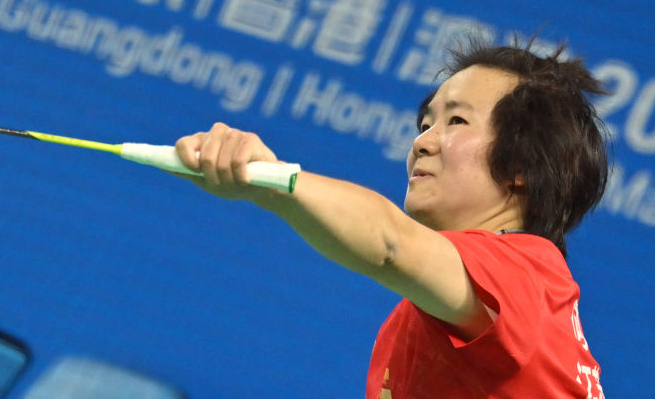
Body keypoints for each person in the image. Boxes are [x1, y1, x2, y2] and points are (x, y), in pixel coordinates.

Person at [174, 41, 608, 398]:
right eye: (425, 124)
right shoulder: (428, 313)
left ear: (522, 168)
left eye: (457, 120)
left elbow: (389, 245)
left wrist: (272, 183)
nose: (422, 142)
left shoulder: (522, 274)